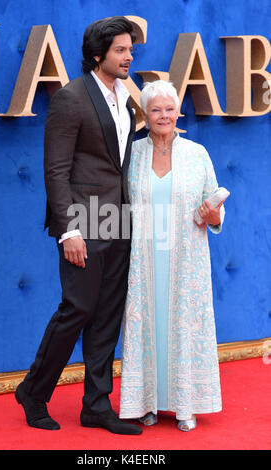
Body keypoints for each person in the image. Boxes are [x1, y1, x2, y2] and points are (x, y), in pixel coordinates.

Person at [15, 16, 142, 436]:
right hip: (83, 224)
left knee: (107, 315)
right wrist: (69, 231)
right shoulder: (71, 97)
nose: (129, 56)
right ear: (97, 54)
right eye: (121, 49)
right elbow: (56, 170)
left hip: (118, 221)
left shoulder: (125, 99)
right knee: (78, 310)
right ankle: (33, 392)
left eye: (130, 49)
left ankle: (96, 404)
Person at [119, 80, 225, 431]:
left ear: (178, 111)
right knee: (148, 327)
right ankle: (146, 403)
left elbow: (215, 206)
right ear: (144, 115)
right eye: (156, 110)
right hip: (144, 259)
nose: (164, 115)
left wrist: (213, 214)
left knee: (182, 326)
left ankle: (185, 406)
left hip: (186, 260)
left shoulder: (197, 153)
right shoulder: (132, 155)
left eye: (169, 109)